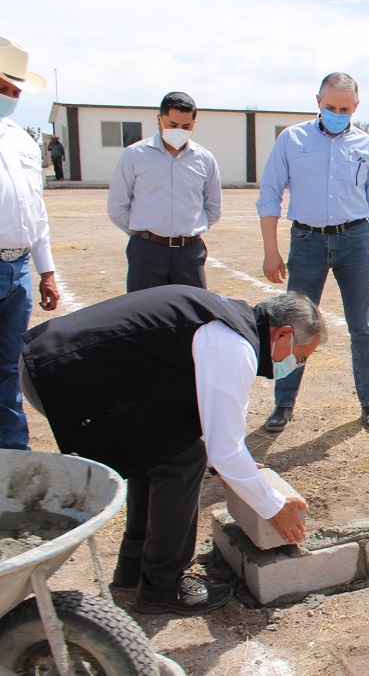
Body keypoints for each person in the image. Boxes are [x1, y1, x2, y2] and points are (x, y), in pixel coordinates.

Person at [20, 286, 319, 615]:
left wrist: (237, 468)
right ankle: (162, 586)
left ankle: (133, 567)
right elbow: (224, 447)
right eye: (299, 356)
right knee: (183, 457)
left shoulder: (231, 321)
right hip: (61, 376)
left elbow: (210, 423)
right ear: (283, 334)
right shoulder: (234, 345)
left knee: (165, 446)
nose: (295, 365)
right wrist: (272, 505)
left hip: (57, 365)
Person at [257, 73, 369, 433]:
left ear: (356, 107)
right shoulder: (292, 140)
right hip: (306, 242)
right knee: (292, 326)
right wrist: (271, 251)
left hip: (353, 241)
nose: (336, 113)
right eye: (330, 106)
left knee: (361, 326)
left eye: (344, 108)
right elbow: (269, 194)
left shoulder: (367, 146)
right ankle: (283, 404)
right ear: (317, 100)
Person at [0, 35, 59, 451]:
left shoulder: (22, 140)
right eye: (3, 88)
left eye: (14, 90)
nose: (10, 96)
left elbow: (34, 210)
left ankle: (12, 453)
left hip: (17, 268)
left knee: (8, 367)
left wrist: (47, 271)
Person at [107, 92, 222, 292]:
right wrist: (145, 233)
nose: (179, 131)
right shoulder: (135, 155)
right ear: (159, 119)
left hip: (190, 253)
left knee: (191, 316)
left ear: (194, 123)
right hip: (147, 251)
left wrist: (187, 231)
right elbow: (117, 207)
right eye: (173, 125)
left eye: (186, 126)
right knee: (144, 313)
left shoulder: (205, 159)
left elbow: (213, 208)